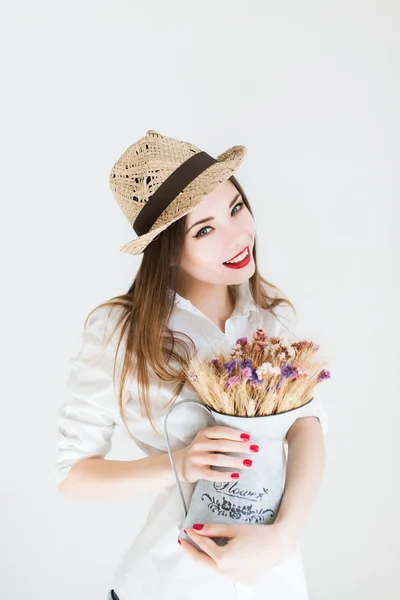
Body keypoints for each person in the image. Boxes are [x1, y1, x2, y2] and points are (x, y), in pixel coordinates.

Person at [55, 129, 328, 600]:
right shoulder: (121, 332)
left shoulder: (269, 319)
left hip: (274, 581)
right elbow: (73, 477)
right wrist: (179, 464)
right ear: (167, 251)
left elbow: (307, 428)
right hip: (168, 584)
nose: (237, 235)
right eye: (204, 229)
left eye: (236, 208)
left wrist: (282, 540)